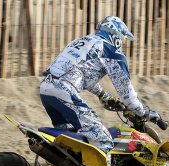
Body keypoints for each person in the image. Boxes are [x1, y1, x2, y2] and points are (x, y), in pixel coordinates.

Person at [40, 16, 161, 155]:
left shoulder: (82, 41)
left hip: (45, 89)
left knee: (71, 143)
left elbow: (81, 72)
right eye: (123, 39)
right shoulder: (111, 52)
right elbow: (128, 95)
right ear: (115, 35)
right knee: (103, 140)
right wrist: (146, 113)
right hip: (64, 92)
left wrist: (102, 94)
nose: (122, 43)